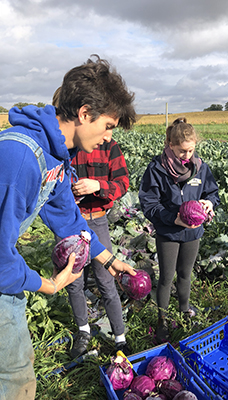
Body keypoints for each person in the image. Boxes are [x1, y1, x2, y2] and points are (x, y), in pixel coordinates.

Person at [0, 55, 136, 400]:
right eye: (107, 125)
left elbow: (69, 221)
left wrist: (109, 260)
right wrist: (45, 284)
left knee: (16, 370)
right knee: (13, 377)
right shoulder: (19, 157)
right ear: (85, 113)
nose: (109, 137)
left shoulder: (56, 155)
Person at [52, 86, 131, 357]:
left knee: (105, 278)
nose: (106, 135)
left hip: (97, 220)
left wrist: (97, 184)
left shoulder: (109, 146)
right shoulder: (64, 148)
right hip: (70, 221)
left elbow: (122, 184)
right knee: (74, 280)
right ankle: (83, 331)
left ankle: (120, 336)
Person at [138, 117, 220, 344]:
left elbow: (212, 193)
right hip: (168, 232)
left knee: (186, 274)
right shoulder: (156, 169)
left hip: (193, 232)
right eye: (182, 151)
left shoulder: (201, 168)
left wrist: (209, 203)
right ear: (170, 146)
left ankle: (185, 310)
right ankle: (162, 319)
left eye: (191, 151)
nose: (187, 156)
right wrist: (173, 218)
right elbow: (149, 203)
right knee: (166, 277)